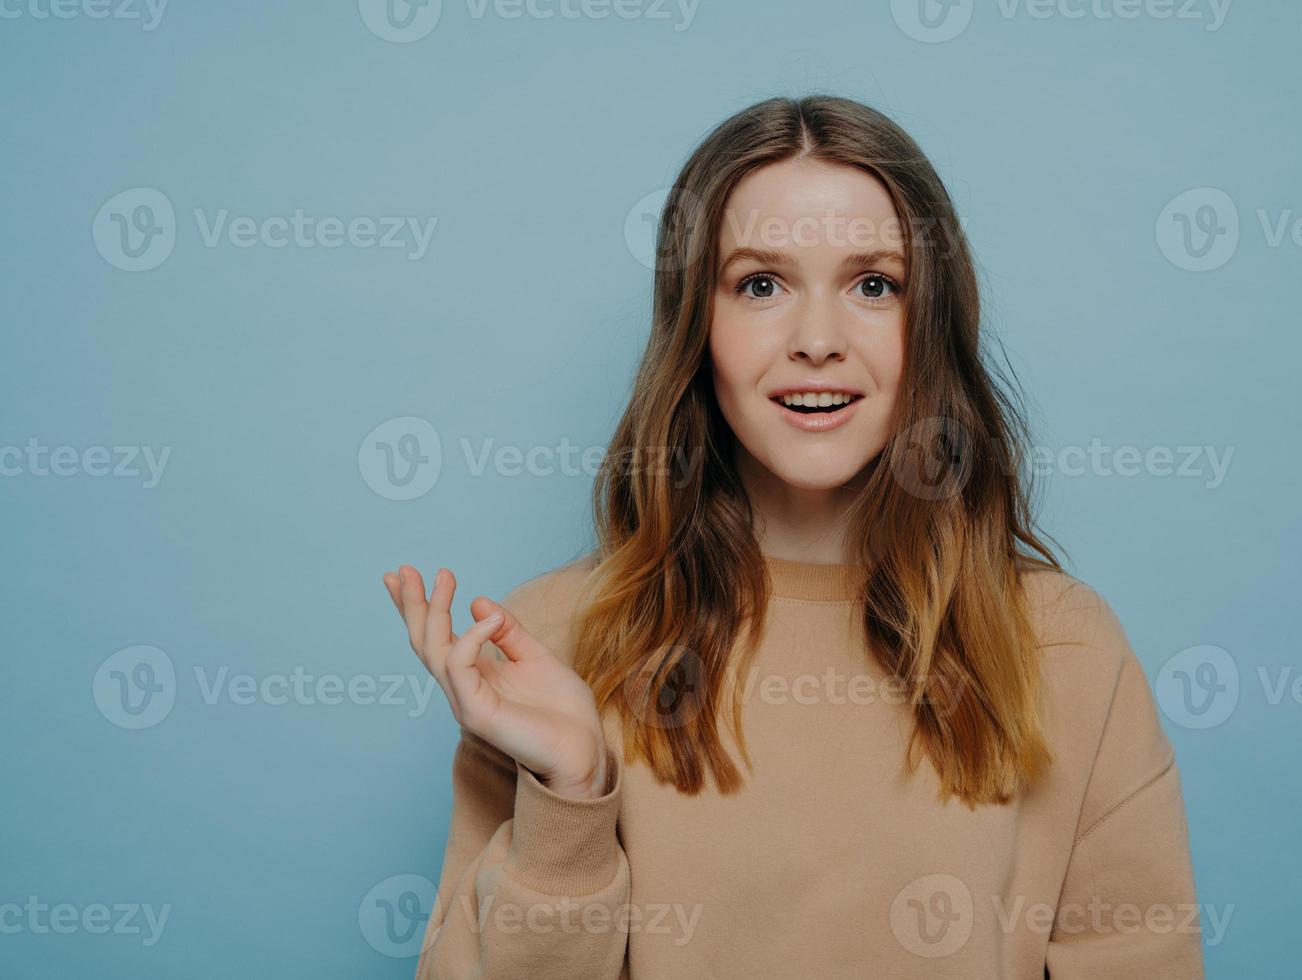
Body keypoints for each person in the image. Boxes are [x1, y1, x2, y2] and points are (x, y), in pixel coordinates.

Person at [384, 94, 1205, 979]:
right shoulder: (548, 646)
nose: (818, 340)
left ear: (928, 324)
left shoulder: (1067, 648)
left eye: (874, 284)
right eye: (762, 284)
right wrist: (571, 799)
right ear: (698, 325)